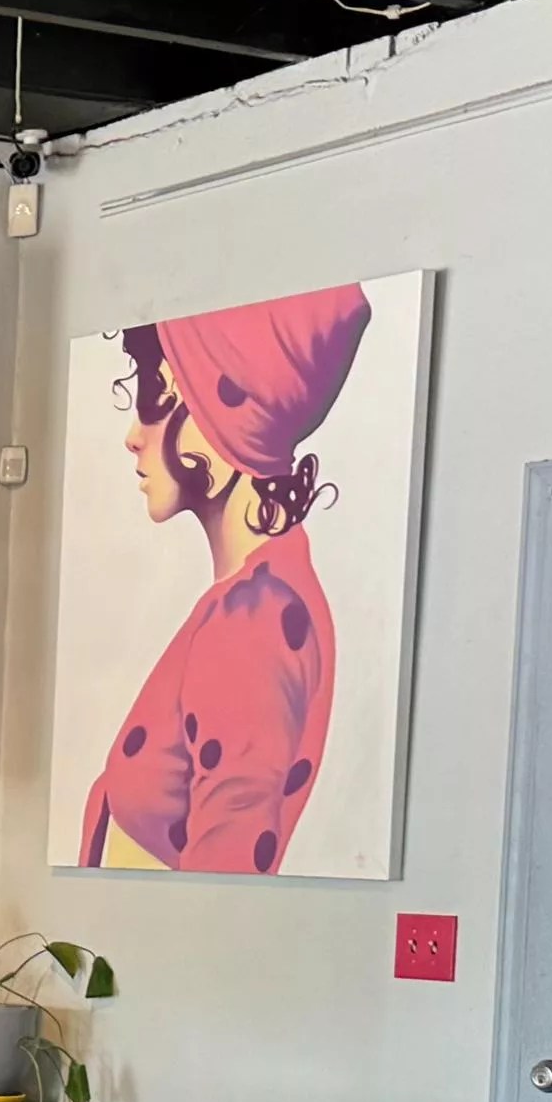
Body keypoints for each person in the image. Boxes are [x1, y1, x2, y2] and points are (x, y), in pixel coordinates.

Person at [76, 283, 372, 876]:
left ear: (220, 418)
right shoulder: (257, 596)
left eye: (156, 399)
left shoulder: (255, 618)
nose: (133, 435)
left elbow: (226, 873)